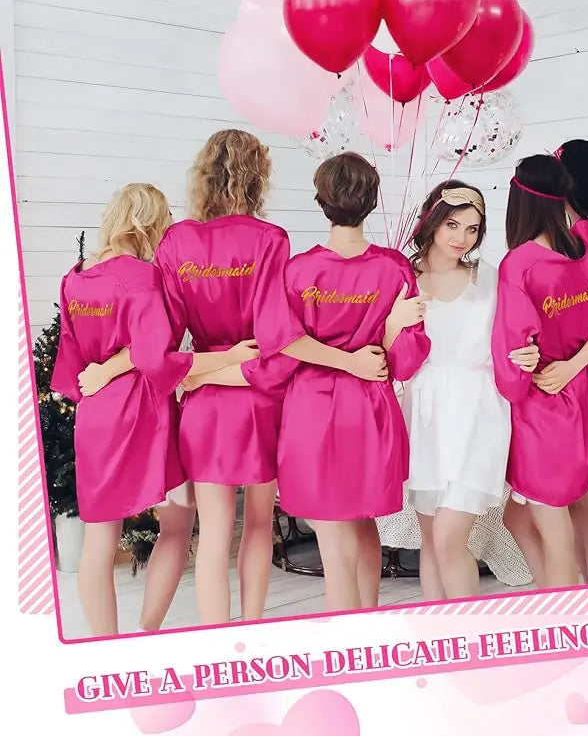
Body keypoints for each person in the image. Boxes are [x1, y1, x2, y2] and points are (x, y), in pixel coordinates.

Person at [88, 131, 388, 626]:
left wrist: (212, 370)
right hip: (262, 400)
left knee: (213, 534)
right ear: (258, 178)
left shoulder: (176, 241)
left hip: (204, 405)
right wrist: (239, 367)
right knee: (257, 529)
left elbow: (160, 354)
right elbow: (277, 340)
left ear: (204, 175)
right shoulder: (272, 241)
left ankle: (216, 637)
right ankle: (251, 629)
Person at [51, 183, 254, 636]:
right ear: (149, 224)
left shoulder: (75, 277)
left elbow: (73, 365)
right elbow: (157, 360)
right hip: (145, 413)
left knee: (98, 542)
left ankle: (107, 648)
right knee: (179, 525)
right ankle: (147, 633)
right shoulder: (142, 277)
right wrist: (230, 354)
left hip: (96, 416)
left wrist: (102, 372)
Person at [275, 152, 431, 613]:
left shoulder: (297, 271)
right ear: (372, 200)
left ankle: (350, 647)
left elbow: (281, 343)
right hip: (370, 412)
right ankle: (370, 629)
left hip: (313, 413)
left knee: (336, 543)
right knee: (364, 530)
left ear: (321, 200)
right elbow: (405, 359)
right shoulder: (395, 269)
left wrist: (340, 360)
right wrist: (367, 349)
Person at [399, 180, 539, 600]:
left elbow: (520, 336)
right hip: (424, 415)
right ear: (433, 222)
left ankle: (471, 636)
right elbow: (385, 344)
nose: (462, 238)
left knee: (449, 539)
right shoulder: (405, 279)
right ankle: (439, 640)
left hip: (479, 414)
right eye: (454, 225)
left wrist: (530, 355)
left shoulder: (492, 278)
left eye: (473, 229)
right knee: (431, 540)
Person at [491, 154, 588, 589]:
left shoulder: (520, 264)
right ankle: (572, 594)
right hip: (584, 398)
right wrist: (571, 367)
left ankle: (568, 621)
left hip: (542, 407)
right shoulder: (585, 251)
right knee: (531, 515)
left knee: (553, 525)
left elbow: (511, 356)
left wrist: (519, 377)